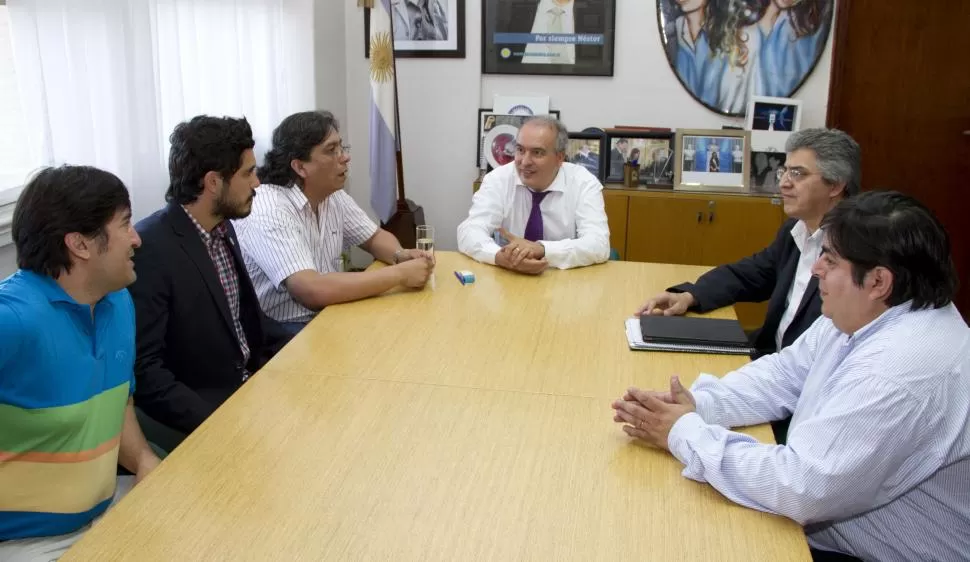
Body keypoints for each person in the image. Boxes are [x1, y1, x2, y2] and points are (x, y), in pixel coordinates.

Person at [613, 190, 969, 562]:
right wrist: (701, 404)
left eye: (830, 260)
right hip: (838, 531)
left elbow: (803, 486)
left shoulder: (899, 371)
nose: (815, 269)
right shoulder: (869, 313)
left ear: (879, 281)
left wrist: (684, 433)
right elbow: (784, 373)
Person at [635, 129, 861, 441]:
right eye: (784, 171)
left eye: (798, 173)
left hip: (804, 404)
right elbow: (753, 272)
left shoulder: (855, 256)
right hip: (770, 372)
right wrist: (691, 294)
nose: (783, 182)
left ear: (835, 185)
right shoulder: (796, 230)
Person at [0, 165, 161, 559]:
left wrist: (143, 461)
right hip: (23, 543)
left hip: (104, 515)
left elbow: (117, 402)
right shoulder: (12, 319)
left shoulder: (118, 301)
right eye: (125, 223)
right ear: (80, 245)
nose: (137, 237)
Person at [129, 116, 293, 441]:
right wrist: (220, 422)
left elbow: (246, 321)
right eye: (247, 173)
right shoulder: (151, 248)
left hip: (251, 389)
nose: (257, 184)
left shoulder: (222, 226)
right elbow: (147, 371)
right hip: (207, 414)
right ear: (213, 182)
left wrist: (308, 347)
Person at [233, 110, 432, 333]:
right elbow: (310, 290)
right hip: (283, 330)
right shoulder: (269, 208)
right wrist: (400, 274)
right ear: (300, 167)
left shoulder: (332, 194)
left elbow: (375, 237)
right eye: (331, 150)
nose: (344, 157)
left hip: (327, 312)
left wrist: (400, 256)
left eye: (342, 147)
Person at [457, 116, 610, 274]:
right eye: (520, 150)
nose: (525, 162)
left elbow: (599, 244)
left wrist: (542, 249)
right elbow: (469, 231)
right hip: (510, 275)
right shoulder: (499, 179)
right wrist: (498, 256)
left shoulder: (583, 183)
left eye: (537, 153)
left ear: (559, 157)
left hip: (563, 278)